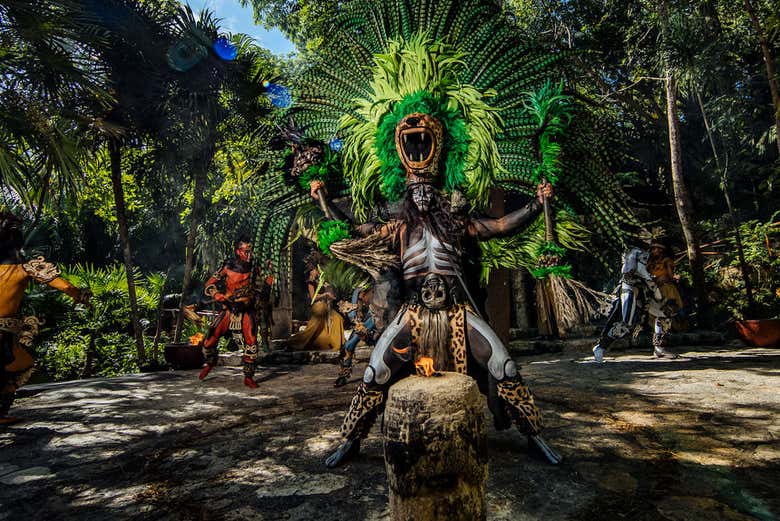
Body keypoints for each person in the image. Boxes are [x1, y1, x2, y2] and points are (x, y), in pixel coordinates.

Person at [312, 112, 561, 467]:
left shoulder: (460, 224)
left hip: (459, 311)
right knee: (375, 373)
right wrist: (322, 198)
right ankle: (351, 441)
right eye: (416, 193)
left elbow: (503, 224)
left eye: (430, 192)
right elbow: (351, 230)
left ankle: (535, 435)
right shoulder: (396, 228)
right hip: (411, 313)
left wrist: (538, 202)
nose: (424, 196)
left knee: (503, 365)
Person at [0, 211, 91, 424]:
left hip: (7, 334)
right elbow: (65, 286)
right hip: (3, 335)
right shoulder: (25, 269)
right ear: (17, 244)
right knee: (24, 364)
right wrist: (82, 296)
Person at [198, 238, 269, 388]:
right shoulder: (227, 267)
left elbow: (267, 283)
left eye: (251, 251)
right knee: (209, 340)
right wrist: (217, 295)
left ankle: (248, 377)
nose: (249, 254)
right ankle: (210, 363)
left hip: (246, 309)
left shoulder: (256, 267)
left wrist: (268, 279)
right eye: (246, 251)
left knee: (252, 343)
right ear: (238, 251)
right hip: (229, 309)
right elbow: (209, 284)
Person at [592, 243, 680, 363]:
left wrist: (660, 298)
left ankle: (659, 347)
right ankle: (601, 347)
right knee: (626, 322)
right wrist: (657, 293)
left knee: (663, 314)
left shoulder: (648, 256)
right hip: (630, 289)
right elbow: (641, 274)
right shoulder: (634, 253)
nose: (657, 251)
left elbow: (649, 280)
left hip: (644, 291)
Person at [288, 252, 345, 352]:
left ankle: (338, 343)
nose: (315, 272)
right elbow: (313, 297)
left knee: (338, 318)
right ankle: (296, 342)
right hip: (318, 307)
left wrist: (328, 291)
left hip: (325, 307)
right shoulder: (310, 282)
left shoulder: (321, 280)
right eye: (314, 271)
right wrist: (325, 295)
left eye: (315, 270)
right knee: (313, 328)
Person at [334, 286, 378, 387]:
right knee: (349, 345)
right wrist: (357, 321)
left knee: (378, 343)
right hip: (368, 319)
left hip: (381, 318)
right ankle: (343, 375)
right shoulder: (359, 290)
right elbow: (353, 311)